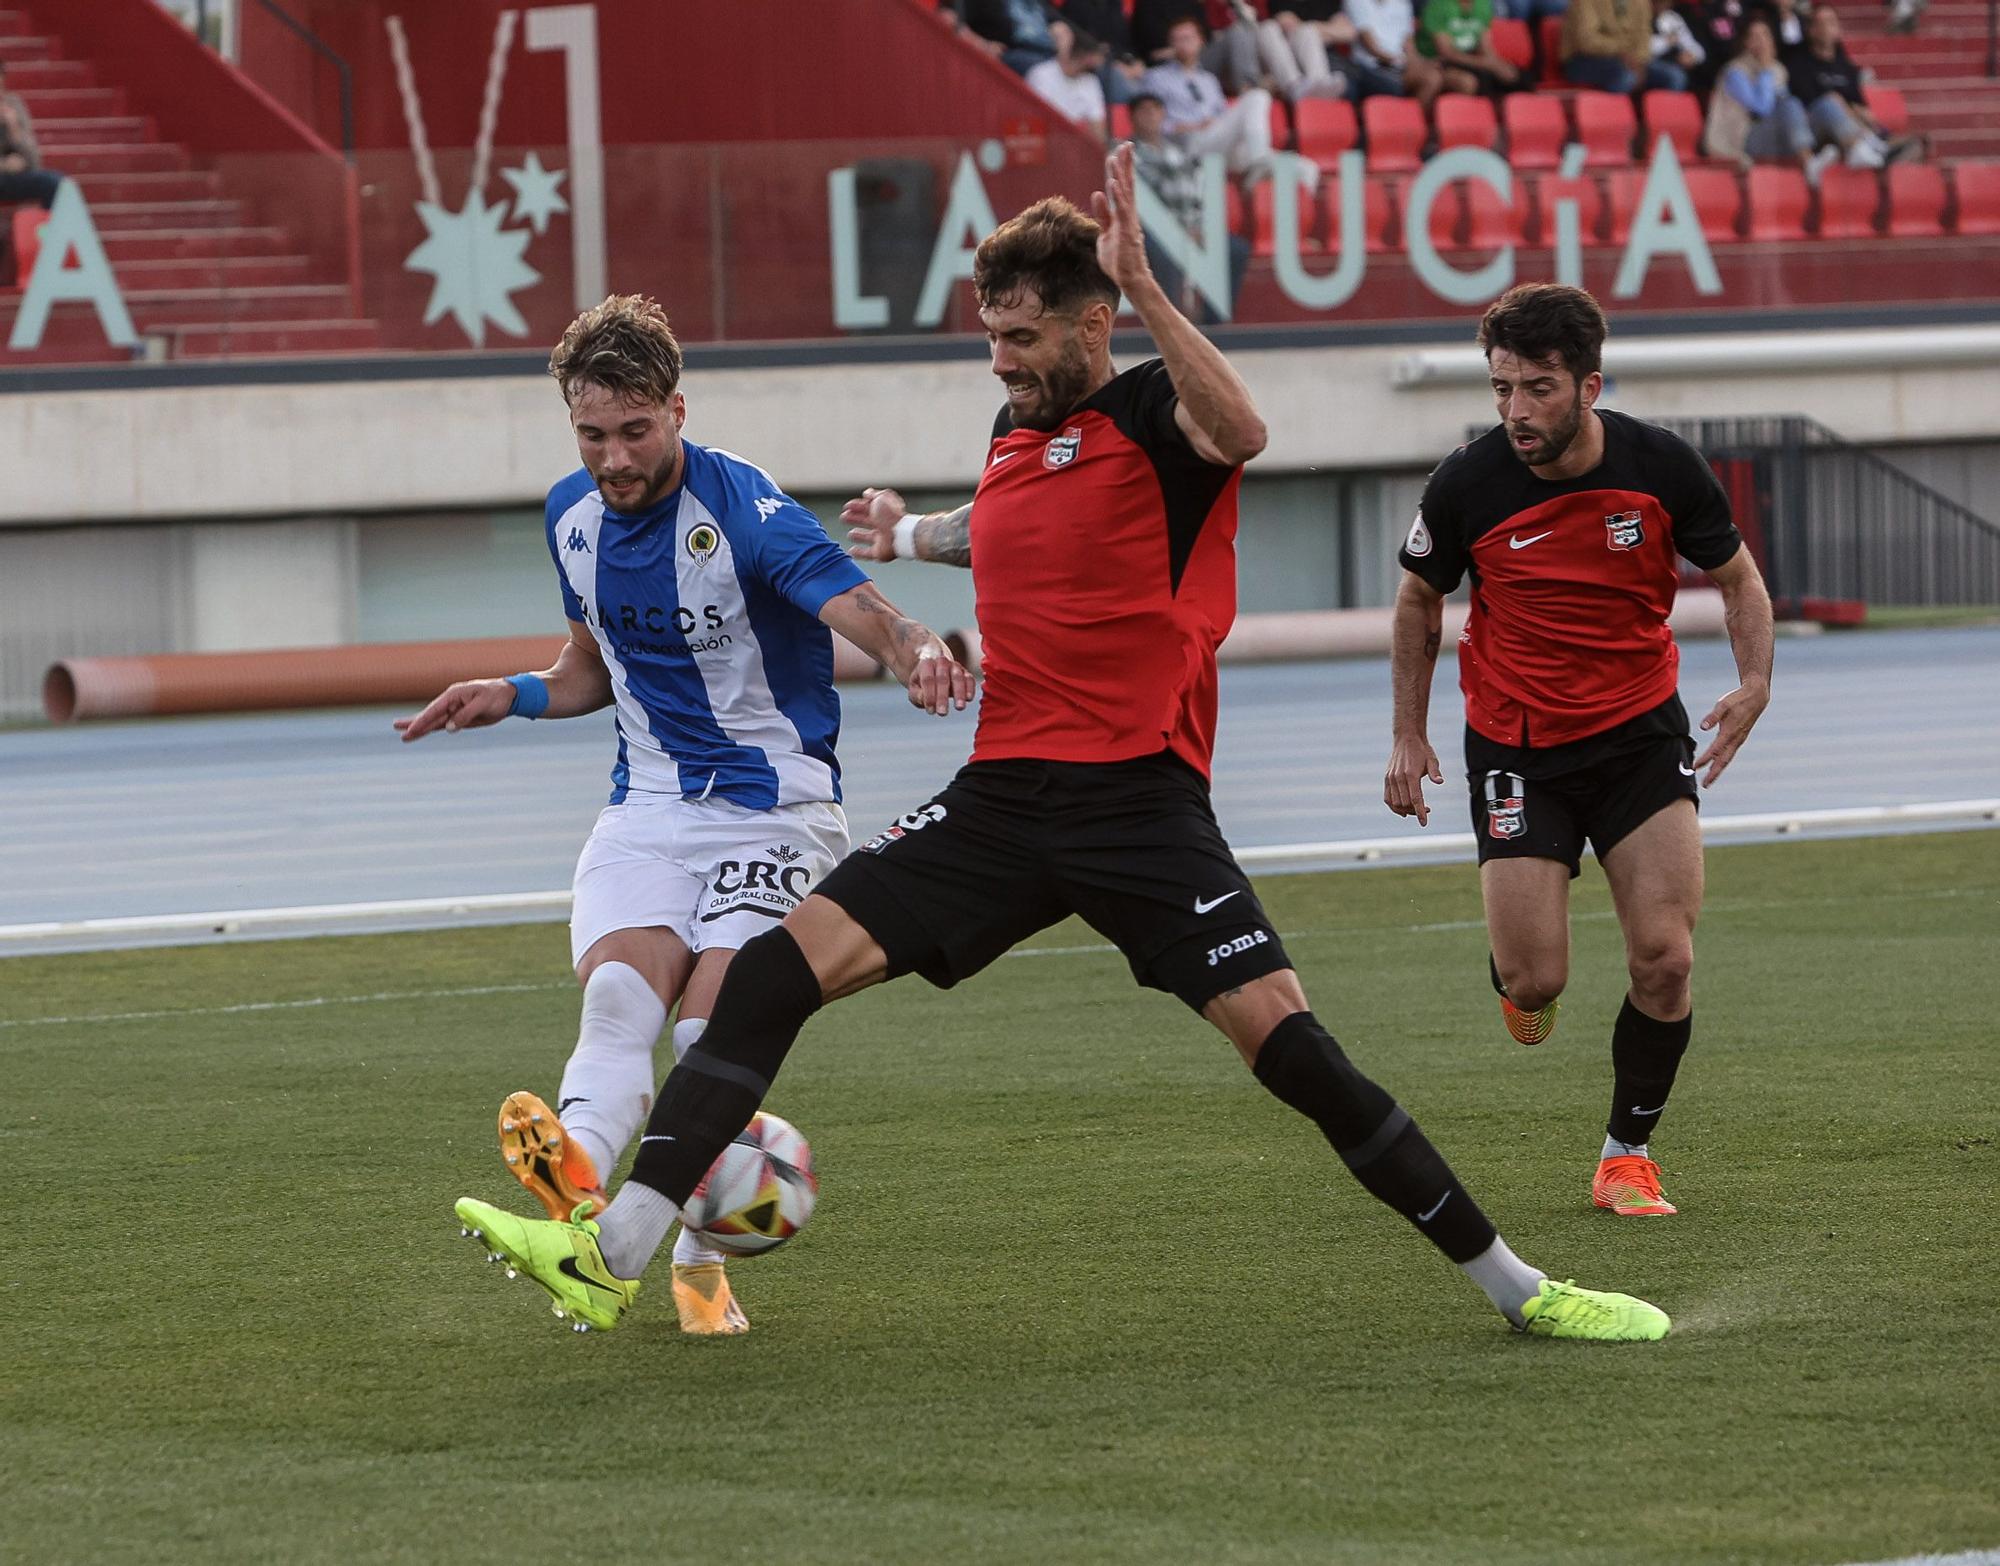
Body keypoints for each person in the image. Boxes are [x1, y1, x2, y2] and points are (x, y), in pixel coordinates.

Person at [454, 152, 1674, 1347]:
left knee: (1297, 1057)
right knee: (770, 976)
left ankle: (1521, 1288)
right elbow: (1011, 526)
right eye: (990, 336)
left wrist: (1149, 289)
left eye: (1022, 339)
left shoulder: (1156, 414)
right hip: (999, 799)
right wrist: (914, 534)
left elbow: (1241, 425)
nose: (1001, 360)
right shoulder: (1013, 429)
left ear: (1096, 326)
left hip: (1137, 804)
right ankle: (610, 1253)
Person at [402, 295, 971, 1336]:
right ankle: (575, 1192)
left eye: (633, 431)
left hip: (777, 813)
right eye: (591, 435)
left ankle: (699, 1267)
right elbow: (591, 667)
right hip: (648, 807)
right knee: (620, 1003)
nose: (613, 459)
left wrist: (916, 649)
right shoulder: (567, 517)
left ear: (675, 408)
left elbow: (860, 609)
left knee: (714, 1027)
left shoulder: (745, 512)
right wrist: (514, 693)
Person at [1383, 282, 1774, 1221]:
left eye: (1538, 389)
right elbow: (1416, 602)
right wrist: (1408, 731)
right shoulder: (1469, 481)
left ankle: (1626, 1156)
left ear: (1589, 386)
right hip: (1519, 749)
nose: (1516, 411)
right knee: (1534, 979)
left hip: (1640, 736)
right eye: (1501, 388)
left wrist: (1757, 680)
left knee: (1665, 959)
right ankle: (1517, 974)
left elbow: (1738, 578)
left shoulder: (1662, 468)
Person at [1128, 90, 1251, 320]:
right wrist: (1176, 231)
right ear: (1132, 117)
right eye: (1143, 111)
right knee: (1164, 252)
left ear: (1163, 114)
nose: (1151, 116)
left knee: (1236, 249)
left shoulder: (1180, 152)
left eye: (1155, 110)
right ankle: (1172, 322)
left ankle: (1214, 322)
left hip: (1191, 227)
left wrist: (1199, 227)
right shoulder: (1128, 153)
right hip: (1152, 231)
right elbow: (1143, 201)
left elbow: (1197, 194)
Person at [1140, 16, 1283, 185]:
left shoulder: (1209, 80)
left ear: (1201, 41)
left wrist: (1216, 123)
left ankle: (1258, 162)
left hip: (1220, 142)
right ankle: (1258, 159)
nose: (1182, 44)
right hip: (1188, 144)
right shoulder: (1156, 77)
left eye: (1187, 38)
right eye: (1176, 40)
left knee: (1305, 168)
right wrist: (1191, 126)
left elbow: (1226, 119)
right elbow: (1148, 121)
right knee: (1257, 96)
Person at [1705, 17, 1839, 181]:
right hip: (1744, 140)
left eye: (1765, 35)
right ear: (1745, 43)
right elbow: (1762, 109)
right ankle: (1808, 160)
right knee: (1790, 104)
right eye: (1754, 36)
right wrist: (1765, 71)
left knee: (1825, 106)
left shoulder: (1779, 69)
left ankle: (1857, 145)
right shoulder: (1735, 72)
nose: (1761, 41)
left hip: (1775, 134)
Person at [1785, 6, 1917, 167]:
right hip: (1812, 129)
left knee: (1863, 113)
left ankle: (1872, 145)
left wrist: (1855, 110)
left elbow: (1859, 103)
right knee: (1829, 104)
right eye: (1822, 23)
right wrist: (1843, 106)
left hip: (1848, 124)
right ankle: (1869, 146)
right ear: (1811, 30)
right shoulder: (1799, 63)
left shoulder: (1846, 67)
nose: (1828, 28)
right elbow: (1806, 101)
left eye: (1831, 22)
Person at [0, 61, 61, 287]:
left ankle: (52, 249)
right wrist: (5, 165)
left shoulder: (14, 106)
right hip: (6, 170)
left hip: (15, 175)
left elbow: (34, 159)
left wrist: (14, 130)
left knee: (54, 183)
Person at [1561, 0, 1681, 92]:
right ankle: (1609, 119)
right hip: (1583, 60)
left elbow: (1644, 38)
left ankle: (1659, 123)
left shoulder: (1640, 2)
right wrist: (1622, 53)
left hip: (1631, 60)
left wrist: (1638, 61)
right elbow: (1587, 42)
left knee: (1674, 76)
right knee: (1626, 76)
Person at [1345, 0, 1447, 106]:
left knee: (1435, 74)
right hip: (1369, 67)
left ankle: (1410, 119)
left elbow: (1408, 42)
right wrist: (1401, 61)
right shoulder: (1356, 2)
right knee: (1430, 79)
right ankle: (1408, 119)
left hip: (1398, 65)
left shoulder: (1402, 3)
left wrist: (1417, 62)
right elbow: (1370, 45)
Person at [1419, 0, 1525, 94]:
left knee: (1512, 76)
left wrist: (1497, 64)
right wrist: (1485, 64)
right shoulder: (1438, 6)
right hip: (1438, 63)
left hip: (1471, 59)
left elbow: (1485, 46)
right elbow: (1447, 52)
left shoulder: (1482, 4)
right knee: (1468, 82)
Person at [1027, 31, 1113, 136]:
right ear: (1083, 57)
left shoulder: (1091, 81)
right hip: (1046, 136)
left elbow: (1097, 123)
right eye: (1092, 60)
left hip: (1076, 141)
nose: (1097, 65)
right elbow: (1036, 116)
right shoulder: (1041, 74)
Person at [1650, 0, 1706, 94]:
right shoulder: (1641, 15)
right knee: (1676, 76)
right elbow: (1642, 48)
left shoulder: (1672, 18)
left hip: (1671, 62)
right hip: (1646, 61)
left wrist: (1692, 56)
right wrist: (1666, 42)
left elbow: (1696, 48)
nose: (1664, 4)